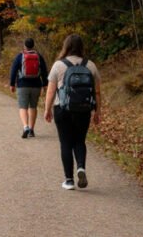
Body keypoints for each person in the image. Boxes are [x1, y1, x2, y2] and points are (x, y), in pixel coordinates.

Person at [44, 34, 102, 190]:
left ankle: (69, 180)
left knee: (65, 143)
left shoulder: (58, 65)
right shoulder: (90, 65)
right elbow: (97, 92)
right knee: (79, 140)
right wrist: (97, 111)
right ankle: (81, 167)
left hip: (62, 109)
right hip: (83, 109)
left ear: (66, 47)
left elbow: (50, 91)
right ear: (81, 47)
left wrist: (47, 109)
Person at [9, 38, 48, 138]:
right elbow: (44, 71)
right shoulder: (38, 56)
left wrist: (12, 84)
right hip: (36, 85)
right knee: (33, 107)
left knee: (23, 107)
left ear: (24, 46)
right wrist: (45, 84)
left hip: (22, 85)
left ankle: (25, 126)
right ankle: (31, 129)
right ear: (33, 45)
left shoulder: (20, 56)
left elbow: (13, 70)